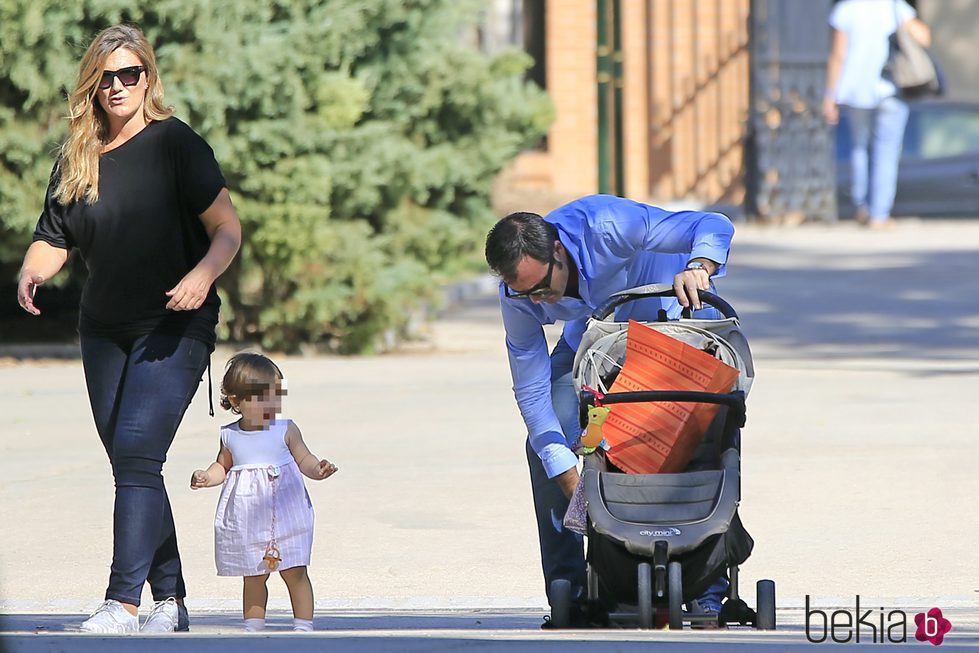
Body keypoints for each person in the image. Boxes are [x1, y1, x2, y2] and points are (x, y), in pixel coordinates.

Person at [15, 25, 242, 633]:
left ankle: (124, 602)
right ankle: (170, 600)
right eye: (107, 76)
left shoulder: (176, 145)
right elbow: (53, 237)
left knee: (138, 454)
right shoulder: (77, 157)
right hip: (104, 330)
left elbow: (227, 227)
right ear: (93, 83)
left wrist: (203, 274)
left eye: (130, 74)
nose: (118, 86)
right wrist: (32, 272)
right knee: (131, 461)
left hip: (175, 325)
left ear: (148, 78)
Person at [484, 194, 735, 626]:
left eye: (543, 289)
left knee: (705, 425)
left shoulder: (608, 225)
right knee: (544, 445)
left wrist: (699, 268)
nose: (539, 302)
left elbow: (711, 224)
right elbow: (530, 386)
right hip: (593, 345)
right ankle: (571, 593)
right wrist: (566, 472)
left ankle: (707, 586)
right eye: (526, 294)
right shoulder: (519, 294)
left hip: (667, 328)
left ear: (558, 251)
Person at [191, 352, 338, 632]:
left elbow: (304, 459)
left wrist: (318, 469)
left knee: (295, 571)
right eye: (261, 399)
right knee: (254, 575)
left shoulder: (285, 429)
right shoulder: (230, 435)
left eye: (275, 397)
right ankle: (254, 626)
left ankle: (303, 626)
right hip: (249, 517)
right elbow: (222, 467)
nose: (270, 405)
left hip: (287, 514)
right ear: (236, 400)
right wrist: (206, 477)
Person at [823, 0, 932, 228]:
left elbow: (838, 55)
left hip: (855, 90)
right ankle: (879, 214)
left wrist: (830, 94)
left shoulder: (846, 10)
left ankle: (861, 206)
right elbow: (924, 37)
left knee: (859, 147)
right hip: (889, 87)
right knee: (887, 150)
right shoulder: (894, 7)